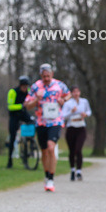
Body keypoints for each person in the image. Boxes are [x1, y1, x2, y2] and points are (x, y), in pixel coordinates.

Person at [24, 64, 70, 192]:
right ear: (41, 75)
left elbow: (68, 94)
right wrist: (37, 99)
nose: (46, 78)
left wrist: (63, 100)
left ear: (52, 74)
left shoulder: (60, 85)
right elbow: (27, 105)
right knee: (44, 151)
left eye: (48, 76)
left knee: (51, 147)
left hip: (55, 121)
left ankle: (51, 178)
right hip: (41, 122)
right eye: (44, 76)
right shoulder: (35, 87)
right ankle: (46, 174)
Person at [61, 85, 91, 181]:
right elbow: (63, 116)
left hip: (81, 127)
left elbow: (89, 111)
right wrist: (71, 112)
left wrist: (85, 114)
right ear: (71, 93)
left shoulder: (84, 102)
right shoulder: (68, 103)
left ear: (80, 92)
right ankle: (72, 170)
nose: (76, 93)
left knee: (78, 149)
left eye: (77, 91)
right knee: (72, 151)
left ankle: (79, 171)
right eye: (74, 91)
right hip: (71, 127)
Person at [6, 76, 32, 168]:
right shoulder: (13, 92)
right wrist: (21, 105)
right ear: (20, 86)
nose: (25, 89)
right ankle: (10, 160)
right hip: (14, 115)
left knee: (32, 122)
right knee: (12, 136)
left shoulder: (29, 91)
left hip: (23, 113)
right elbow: (10, 106)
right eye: (24, 87)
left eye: (26, 86)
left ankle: (31, 143)